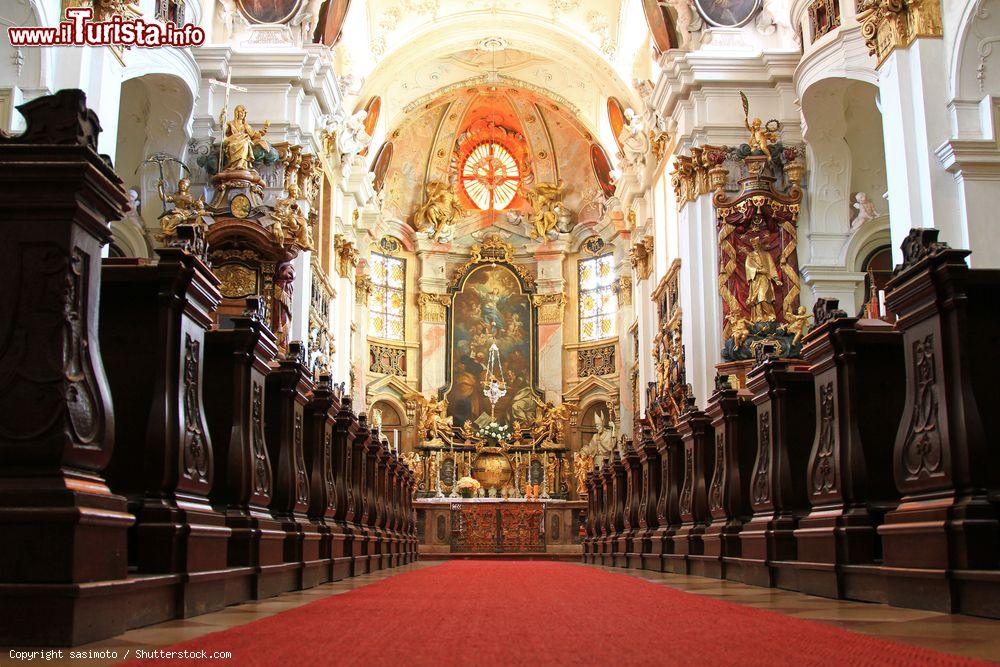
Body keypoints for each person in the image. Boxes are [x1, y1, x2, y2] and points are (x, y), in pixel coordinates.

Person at [222, 105, 271, 172]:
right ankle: (234, 164)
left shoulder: (246, 126)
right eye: (241, 112)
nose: (242, 114)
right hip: (234, 142)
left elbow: (254, 135)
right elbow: (226, 133)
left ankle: (241, 163)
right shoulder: (231, 124)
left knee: (245, 143)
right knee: (237, 144)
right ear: (236, 113)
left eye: (244, 113)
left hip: (244, 141)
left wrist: (261, 133)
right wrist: (222, 120)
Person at [744, 237, 782, 322]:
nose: (755, 246)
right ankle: (759, 316)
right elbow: (748, 267)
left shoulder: (766, 254)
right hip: (755, 279)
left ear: (759, 245)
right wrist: (758, 270)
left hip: (765, 279)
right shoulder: (750, 256)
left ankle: (770, 315)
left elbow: (771, 267)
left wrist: (776, 279)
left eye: (757, 245)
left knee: (763, 297)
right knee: (757, 299)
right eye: (754, 245)